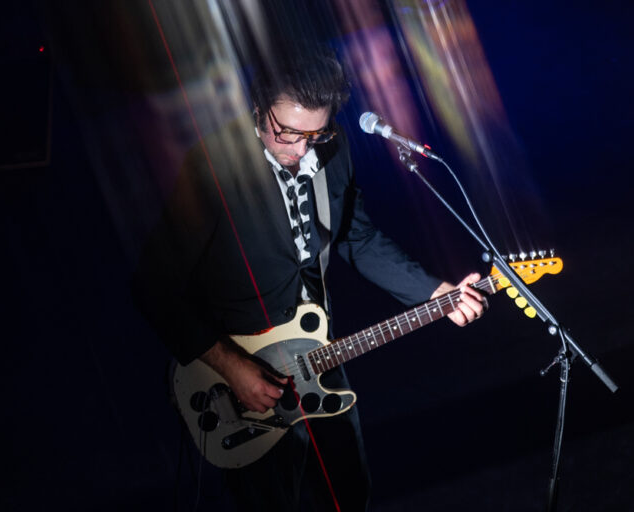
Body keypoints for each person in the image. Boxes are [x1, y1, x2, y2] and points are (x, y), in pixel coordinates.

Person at [132, 44, 486, 511]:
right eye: (287, 133)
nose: (300, 149)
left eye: (314, 134)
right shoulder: (213, 168)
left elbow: (356, 237)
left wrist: (435, 291)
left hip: (319, 356)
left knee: (348, 495)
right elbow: (153, 285)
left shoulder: (333, 149)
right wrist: (230, 366)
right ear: (258, 108)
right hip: (243, 377)